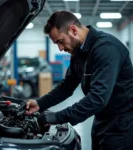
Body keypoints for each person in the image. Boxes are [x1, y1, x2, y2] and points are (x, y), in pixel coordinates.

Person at [26, 11, 133, 150]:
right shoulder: (78, 53)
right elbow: (66, 86)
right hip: (101, 120)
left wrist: (57, 117)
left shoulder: (106, 49)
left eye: (60, 41)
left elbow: (97, 98)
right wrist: (40, 103)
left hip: (121, 125)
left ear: (73, 30)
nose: (60, 48)